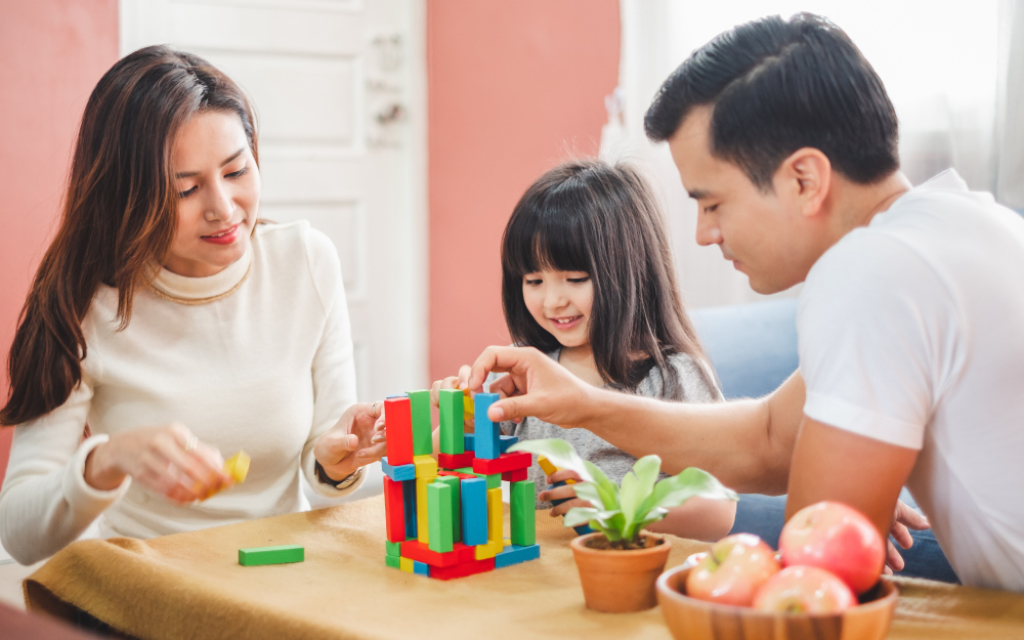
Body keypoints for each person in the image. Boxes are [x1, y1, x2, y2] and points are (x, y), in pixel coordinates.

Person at [461, 14, 1024, 592]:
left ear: (804, 179)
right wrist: (578, 403)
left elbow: (815, 574)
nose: (705, 234)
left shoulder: (873, 272)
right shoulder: (962, 225)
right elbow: (770, 440)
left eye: (713, 203)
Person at [0, 46, 385, 565]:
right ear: (128, 197)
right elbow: (19, 534)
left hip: (286, 569)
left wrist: (339, 461)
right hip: (152, 579)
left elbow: (327, 460)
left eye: (236, 171)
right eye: (185, 190)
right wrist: (107, 461)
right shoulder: (85, 304)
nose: (223, 210)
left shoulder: (306, 262)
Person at [432, 160, 735, 541]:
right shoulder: (524, 370)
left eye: (575, 279)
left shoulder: (674, 376)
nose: (553, 300)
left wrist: (613, 510)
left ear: (631, 271)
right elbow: (444, 459)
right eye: (534, 280)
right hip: (534, 575)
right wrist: (461, 421)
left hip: (626, 574)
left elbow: (717, 511)